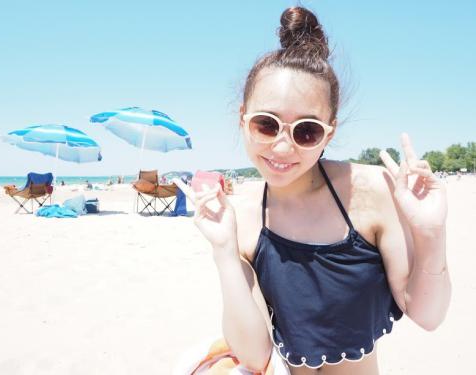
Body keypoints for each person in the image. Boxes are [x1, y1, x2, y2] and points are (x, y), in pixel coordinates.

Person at [177, 7, 451, 375]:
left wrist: (431, 232)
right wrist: (224, 251)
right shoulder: (240, 217)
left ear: (330, 132)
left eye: (306, 131)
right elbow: (255, 355)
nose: (283, 147)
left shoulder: (370, 191)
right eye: (266, 125)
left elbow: (428, 315)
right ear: (242, 118)